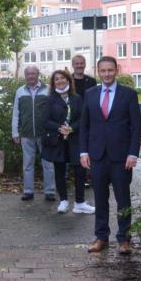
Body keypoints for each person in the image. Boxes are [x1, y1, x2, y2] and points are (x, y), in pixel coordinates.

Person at [79, 56, 141, 255]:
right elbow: (84, 126)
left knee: (123, 199)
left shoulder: (129, 94)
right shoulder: (90, 94)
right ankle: (101, 237)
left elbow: (135, 127)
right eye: (103, 70)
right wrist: (83, 151)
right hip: (97, 155)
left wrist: (133, 153)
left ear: (116, 70)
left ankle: (124, 239)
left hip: (122, 156)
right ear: (98, 71)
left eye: (110, 70)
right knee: (100, 197)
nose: (107, 74)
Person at [41, 70, 95, 214]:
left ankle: (79, 202)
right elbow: (45, 121)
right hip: (58, 141)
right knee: (59, 171)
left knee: (80, 171)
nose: (59, 81)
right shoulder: (50, 99)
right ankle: (63, 201)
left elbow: (83, 118)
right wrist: (60, 128)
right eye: (56, 79)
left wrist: (71, 128)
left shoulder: (76, 98)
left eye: (62, 78)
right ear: (53, 83)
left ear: (68, 80)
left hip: (75, 139)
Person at [12, 65, 56, 201]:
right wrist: (15, 132)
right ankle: (28, 191)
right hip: (26, 133)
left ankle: (50, 191)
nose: (31, 76)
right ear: (25, 76)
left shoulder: (48, 89)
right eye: (28, 74)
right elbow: (15, 113)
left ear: (38, 74)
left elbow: (55, 111)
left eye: (33, 73)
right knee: (27, 164)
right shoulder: (20, 91)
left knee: (48, 163)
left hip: (45, 133)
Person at [71, 54, 97, 188]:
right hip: (73, 120)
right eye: (77, 63)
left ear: (85, 64)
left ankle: (90, 175)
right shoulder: (68, 80)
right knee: (76, 149)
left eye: (82, 63)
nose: (79, 65)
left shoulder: (91, 81)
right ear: (73, 65)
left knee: (90, 147)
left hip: (90, 119)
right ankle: (78, 177)